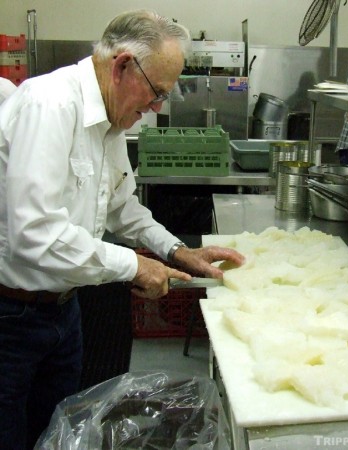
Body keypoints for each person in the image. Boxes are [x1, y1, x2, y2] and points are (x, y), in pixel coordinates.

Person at [0, 10, 244, 450]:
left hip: (63, 312)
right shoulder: (51, 104)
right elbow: (34, 233)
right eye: (156, 94)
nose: (156, 109)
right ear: (122, 66)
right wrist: (132, 265)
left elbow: (120, 206)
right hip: (12, 318)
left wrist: (174, 251)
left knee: (56, 432)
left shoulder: (110, 122)